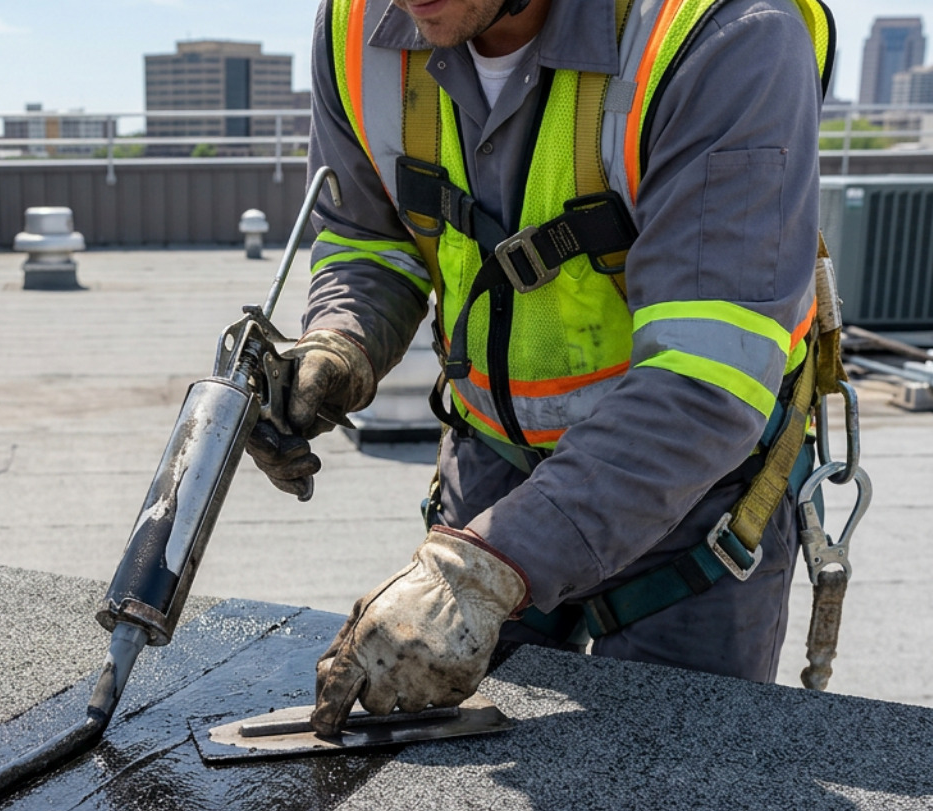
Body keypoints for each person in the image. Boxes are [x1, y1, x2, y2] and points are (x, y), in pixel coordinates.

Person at [245, 0, 836, 736]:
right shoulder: (358, 29)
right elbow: (370, 236)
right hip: (492, 466)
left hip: (691, 497)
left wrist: (484, 569)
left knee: (670, 774)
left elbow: (703, 381)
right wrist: (342, 342)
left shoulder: (724, 33)